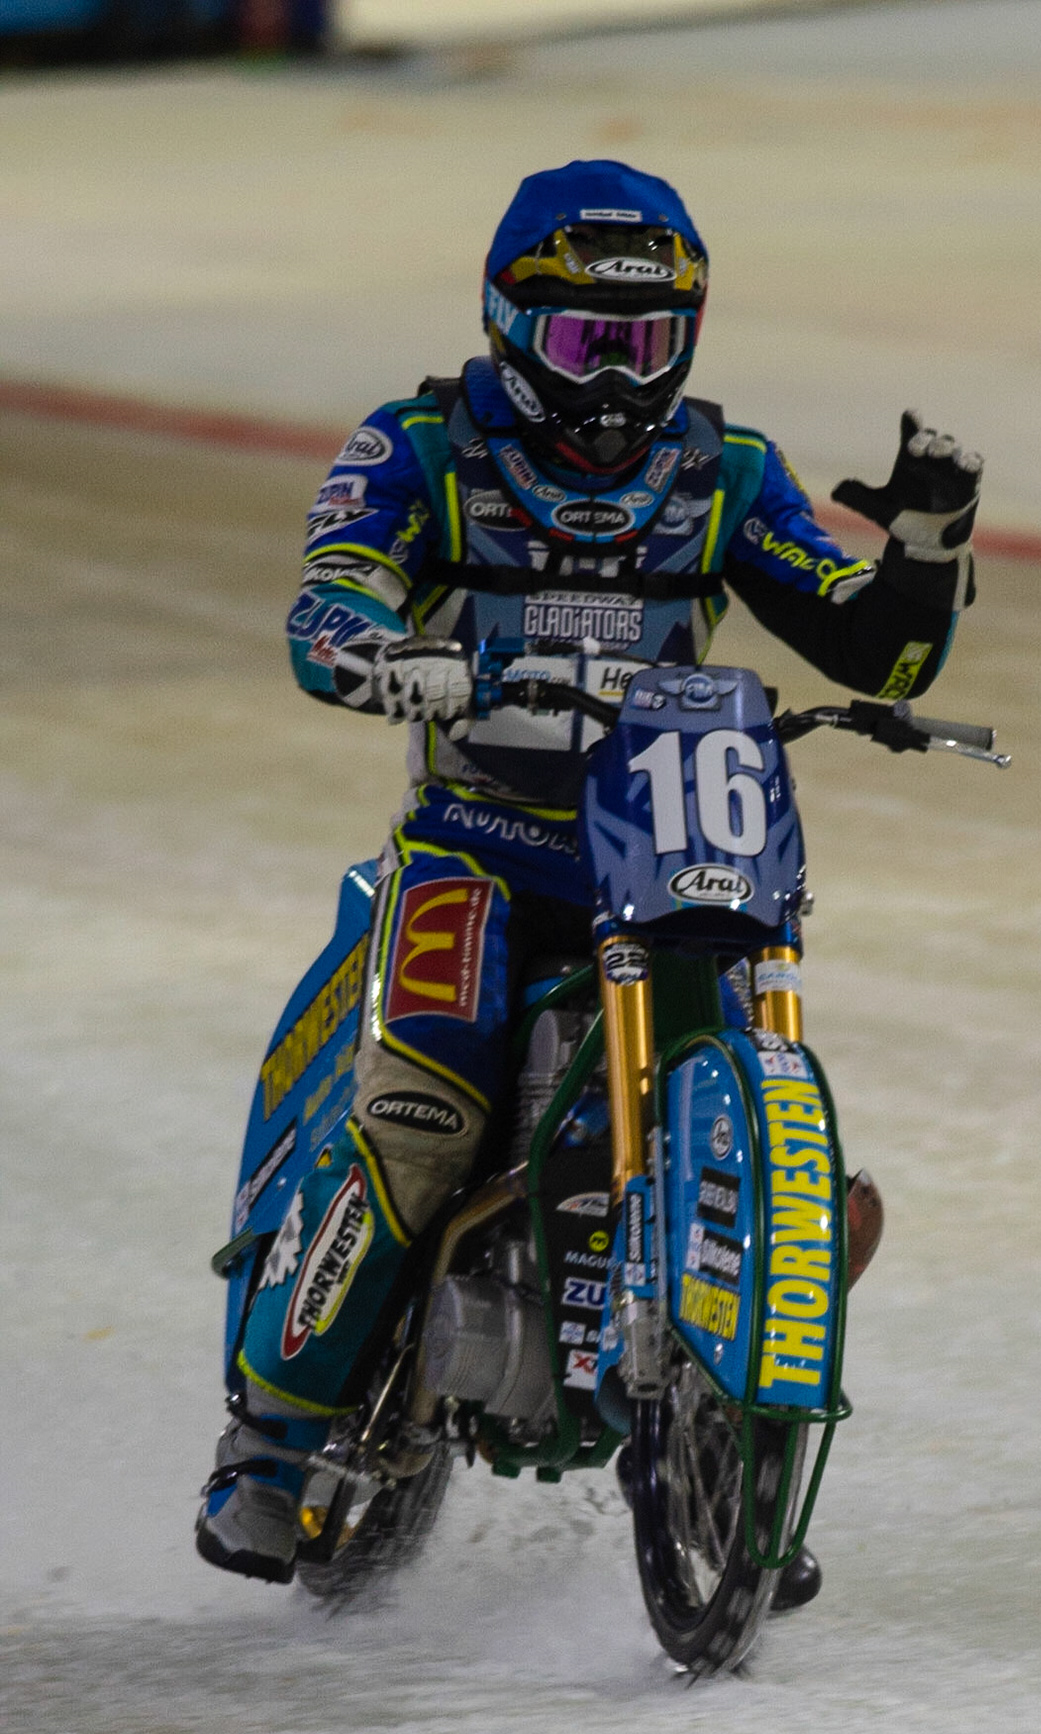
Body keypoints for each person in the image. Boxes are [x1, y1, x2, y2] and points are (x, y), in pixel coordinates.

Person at [196, 160, 983, 1604]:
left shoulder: (723, 471)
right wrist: (387, 645)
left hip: (670, 844)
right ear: (508, 323)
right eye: (582, 342)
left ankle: (732, 1370)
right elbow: (331, 595)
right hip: (477, 849)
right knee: (423, 1097)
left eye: (645, 342)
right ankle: (274, 1432)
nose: (616, 381)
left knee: (750, 1042)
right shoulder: (423, 446)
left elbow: (880, 654)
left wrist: (926, 551)